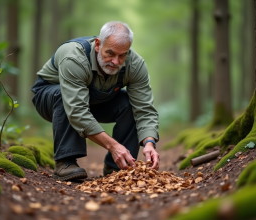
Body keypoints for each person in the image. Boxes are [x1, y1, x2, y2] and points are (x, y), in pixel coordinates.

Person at [31, 21, 160, 181]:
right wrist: (113, 146)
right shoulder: (74, 56)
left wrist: (149, 143)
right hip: (51, 99)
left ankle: (117, 166)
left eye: (122, 55)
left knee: (128, 102)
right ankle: (65, 162)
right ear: (98, 45)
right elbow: (77, 110)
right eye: (110, 53)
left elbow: (144, 109)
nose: (116, 62)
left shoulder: (135, 64)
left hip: (96, 101)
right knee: (62, 94)